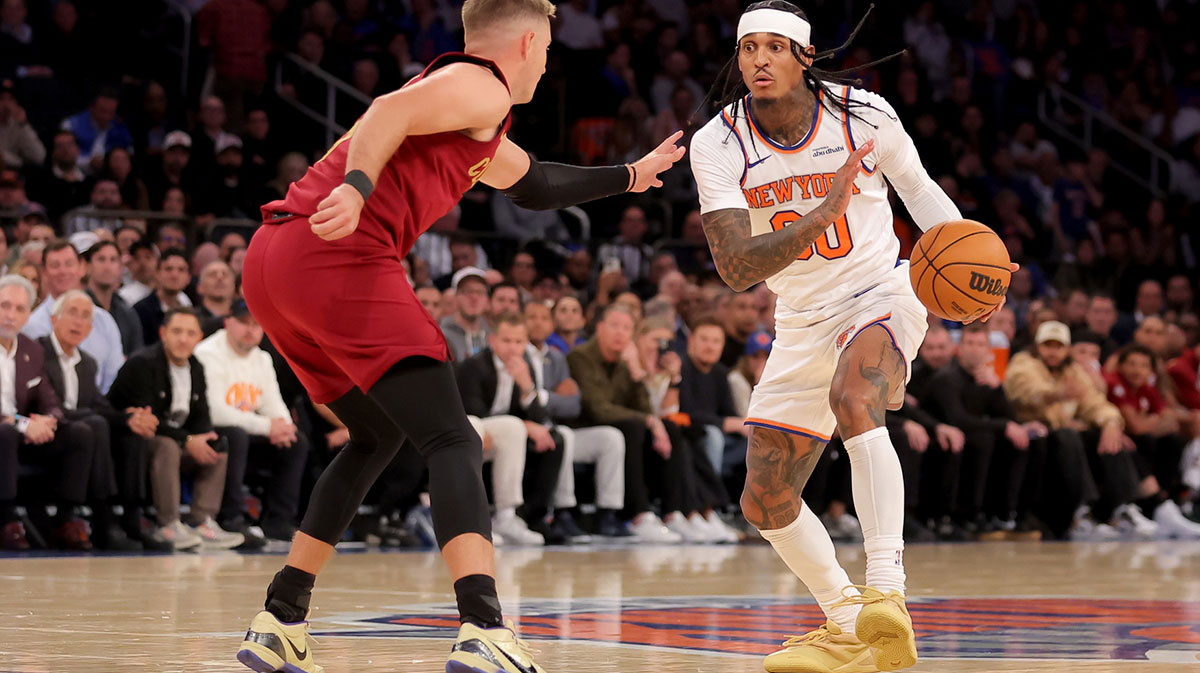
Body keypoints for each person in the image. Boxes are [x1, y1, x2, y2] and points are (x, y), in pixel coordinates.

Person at [236, 1, 685, 671]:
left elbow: (531, 183)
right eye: (549, 47)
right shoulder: (483, 85)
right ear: (530, 40)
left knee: (377, 433)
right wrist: (359, 187)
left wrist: (632, 176)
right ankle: (484, 628)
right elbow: (386, 109)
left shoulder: (468, 112)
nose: (547, 60)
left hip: (274, 263)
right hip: (338, 247)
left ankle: (279, 618)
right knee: (454, 437)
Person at [688, 3, 1012, 670]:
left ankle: (886, 590)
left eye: (776, 47)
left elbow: (920, 196)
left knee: (854, 397)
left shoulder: (863, 114)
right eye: (750, 47)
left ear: (805, 57)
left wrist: (970, 277)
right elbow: (733, 266)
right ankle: (847, 625)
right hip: (800, 317)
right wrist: (823, 212)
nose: (759, 59)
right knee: (765, 496)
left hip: (881, 290)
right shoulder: (717, 143)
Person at [107, 307, 245, 551]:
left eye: (190, 333)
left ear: (199, 337)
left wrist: (202, 438)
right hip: (131, 443)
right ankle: (168, 524)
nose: (183, 339)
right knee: (167, 445)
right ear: (163, 333)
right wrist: (189, 439)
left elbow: (202, 414)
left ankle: (202, 521)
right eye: (177, 331)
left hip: (177, 439)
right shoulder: (143, 363)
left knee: (217, 445)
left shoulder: (197, 367)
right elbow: (151, 421)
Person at [38, 289, 146, 551]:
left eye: (85, 317)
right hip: (46, 433)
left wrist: (129, 417)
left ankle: (128, 516)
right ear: (54, 319)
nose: (78, 322)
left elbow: (98, 404)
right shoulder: (38, 352)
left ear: (89, 329)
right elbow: (47, 406)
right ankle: (96, 518)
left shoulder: (87, 363)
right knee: (94, 425)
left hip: (82, 434)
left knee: (129, 435)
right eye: (72, 313)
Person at [194, 301, 308, 544]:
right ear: (228, 323)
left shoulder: (262, 358)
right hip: (213, 434)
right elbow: (215, 413)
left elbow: (273, 403)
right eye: (244, 322)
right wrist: (268, 427)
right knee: (234, 435)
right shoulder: (207, 353)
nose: (250, 329)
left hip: (249, 432)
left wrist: (284, 427)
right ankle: (231, 518)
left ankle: (278, 521)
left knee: (296, 442)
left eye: (256, 324)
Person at [0, 275, 96, 551]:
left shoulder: (33, 350)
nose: (10, 315)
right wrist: (21, 423)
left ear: (28, 314)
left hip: (23, 437)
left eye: (19, 309)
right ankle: (5, 520)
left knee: (80, 433)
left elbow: (50, 401)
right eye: (5, 306)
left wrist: (48, 419)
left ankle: (66, 519)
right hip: (5, 433)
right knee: (6, 432)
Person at [456, 311, 566, 543]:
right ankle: (473, 519)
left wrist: (527, 387)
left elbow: (540, 417)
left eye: (518, 342)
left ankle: (517, 517)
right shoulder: (473, 366)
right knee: (513, 426)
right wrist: (525, 424)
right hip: (473, 426)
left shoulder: (525, 367)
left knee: (554, 438)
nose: (512, 348)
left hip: (510, 432)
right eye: (506, 341)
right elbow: (473, 410)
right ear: (492, 340)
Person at [523, 300, 623, 540]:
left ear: (552, 324)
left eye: (544, 318)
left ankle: (607, 513)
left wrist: (541, 396)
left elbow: (573, 406)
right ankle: (563, 511)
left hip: (556, 428)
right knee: (564, 435)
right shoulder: (516, 352)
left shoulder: (556, 358)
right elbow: (524, 404)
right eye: (532, 317)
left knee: (610, 438)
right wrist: (551, 395)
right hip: (530, 432)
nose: (538, 323)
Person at [21, 240, 125, 393]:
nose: (63, 271)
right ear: (44, 272)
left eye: (69, 264)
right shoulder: (31, 326)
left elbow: (115, 377)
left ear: (82, 267)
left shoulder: (104, 321)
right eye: (55, 265)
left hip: (101, 409)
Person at [84, 240, 143, 356]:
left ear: (121, 268)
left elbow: (137, 355)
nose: (107, 266)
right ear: (88, 266)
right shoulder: (76, 305)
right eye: (101, 259)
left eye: (113, 260)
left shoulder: (127, 312)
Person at [133, 247, 192, 346]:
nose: (174, 275)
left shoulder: (189, 310)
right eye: (168, 269)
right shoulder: (140, 311)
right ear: (157, 274)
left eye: (181, 270)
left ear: (188, 278)